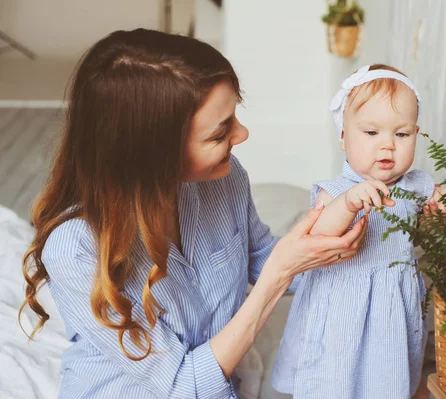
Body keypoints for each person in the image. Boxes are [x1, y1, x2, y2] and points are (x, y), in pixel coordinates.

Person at [18, 29, 369, 398]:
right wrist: (280, 274)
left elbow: (260, 256)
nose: (243, 133)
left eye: (235, 116)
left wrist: (338, 237)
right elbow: (182, 386)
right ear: (153, 157)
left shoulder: (225, 179)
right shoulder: (75, 249)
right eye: (219, 135)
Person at [272, 64, 446, 398]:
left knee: (387, 374)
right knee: (333, 376)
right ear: (343, 136)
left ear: (416, 135)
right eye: (371, 133)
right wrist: (348, 204)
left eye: (401, 134)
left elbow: (444, 199)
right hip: (341, 306)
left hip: (391, 301)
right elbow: (318, 234)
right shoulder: (334, 191)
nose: (387, 146)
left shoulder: (414, 184)